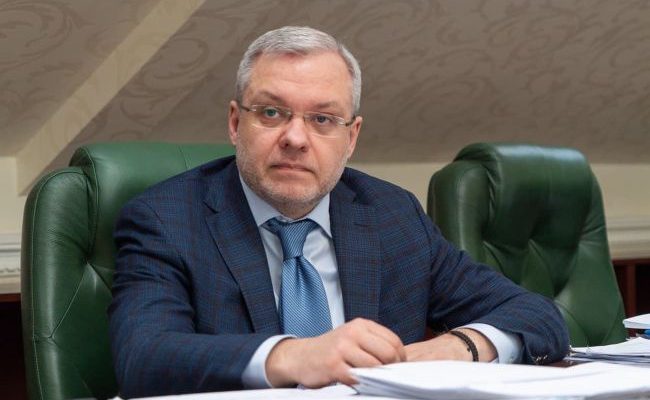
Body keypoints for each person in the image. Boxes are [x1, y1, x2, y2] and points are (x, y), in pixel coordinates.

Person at [108, 26, 569, 398]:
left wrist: (459, 346)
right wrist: (293, 356)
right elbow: (143, 358)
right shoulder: (166, 219)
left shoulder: (391, 215)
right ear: (235, 123)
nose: (295, 138)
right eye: (271, 113)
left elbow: (536, 316)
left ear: (351, 137)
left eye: (322, 119)